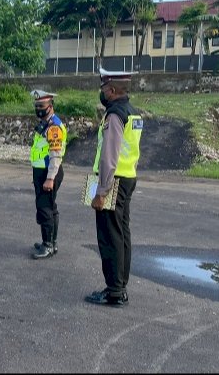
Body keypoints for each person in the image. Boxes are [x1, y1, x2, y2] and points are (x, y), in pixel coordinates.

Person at [84, 68, 143, 307]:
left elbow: (109, 156)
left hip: (112, 180)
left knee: (109, 236)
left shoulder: (115, 115)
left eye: (103, 89)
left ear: (112, 90)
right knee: (122, 234)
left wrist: (101, 191)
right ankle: (120, 286)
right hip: (127, 176)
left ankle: (114, 290)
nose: (102, 93)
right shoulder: (133, 113)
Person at [29, 90, 67, 259]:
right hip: (41, 171)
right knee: (50, 207)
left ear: (50, 107)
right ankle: (51, 242)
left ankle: (48, 245)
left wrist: (50, 178)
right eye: (36, 106)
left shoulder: (53, 127)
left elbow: (55, 154)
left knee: (45, 208)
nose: (38, 109)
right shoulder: (45, 124)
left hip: (48, 172)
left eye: (41, 106)